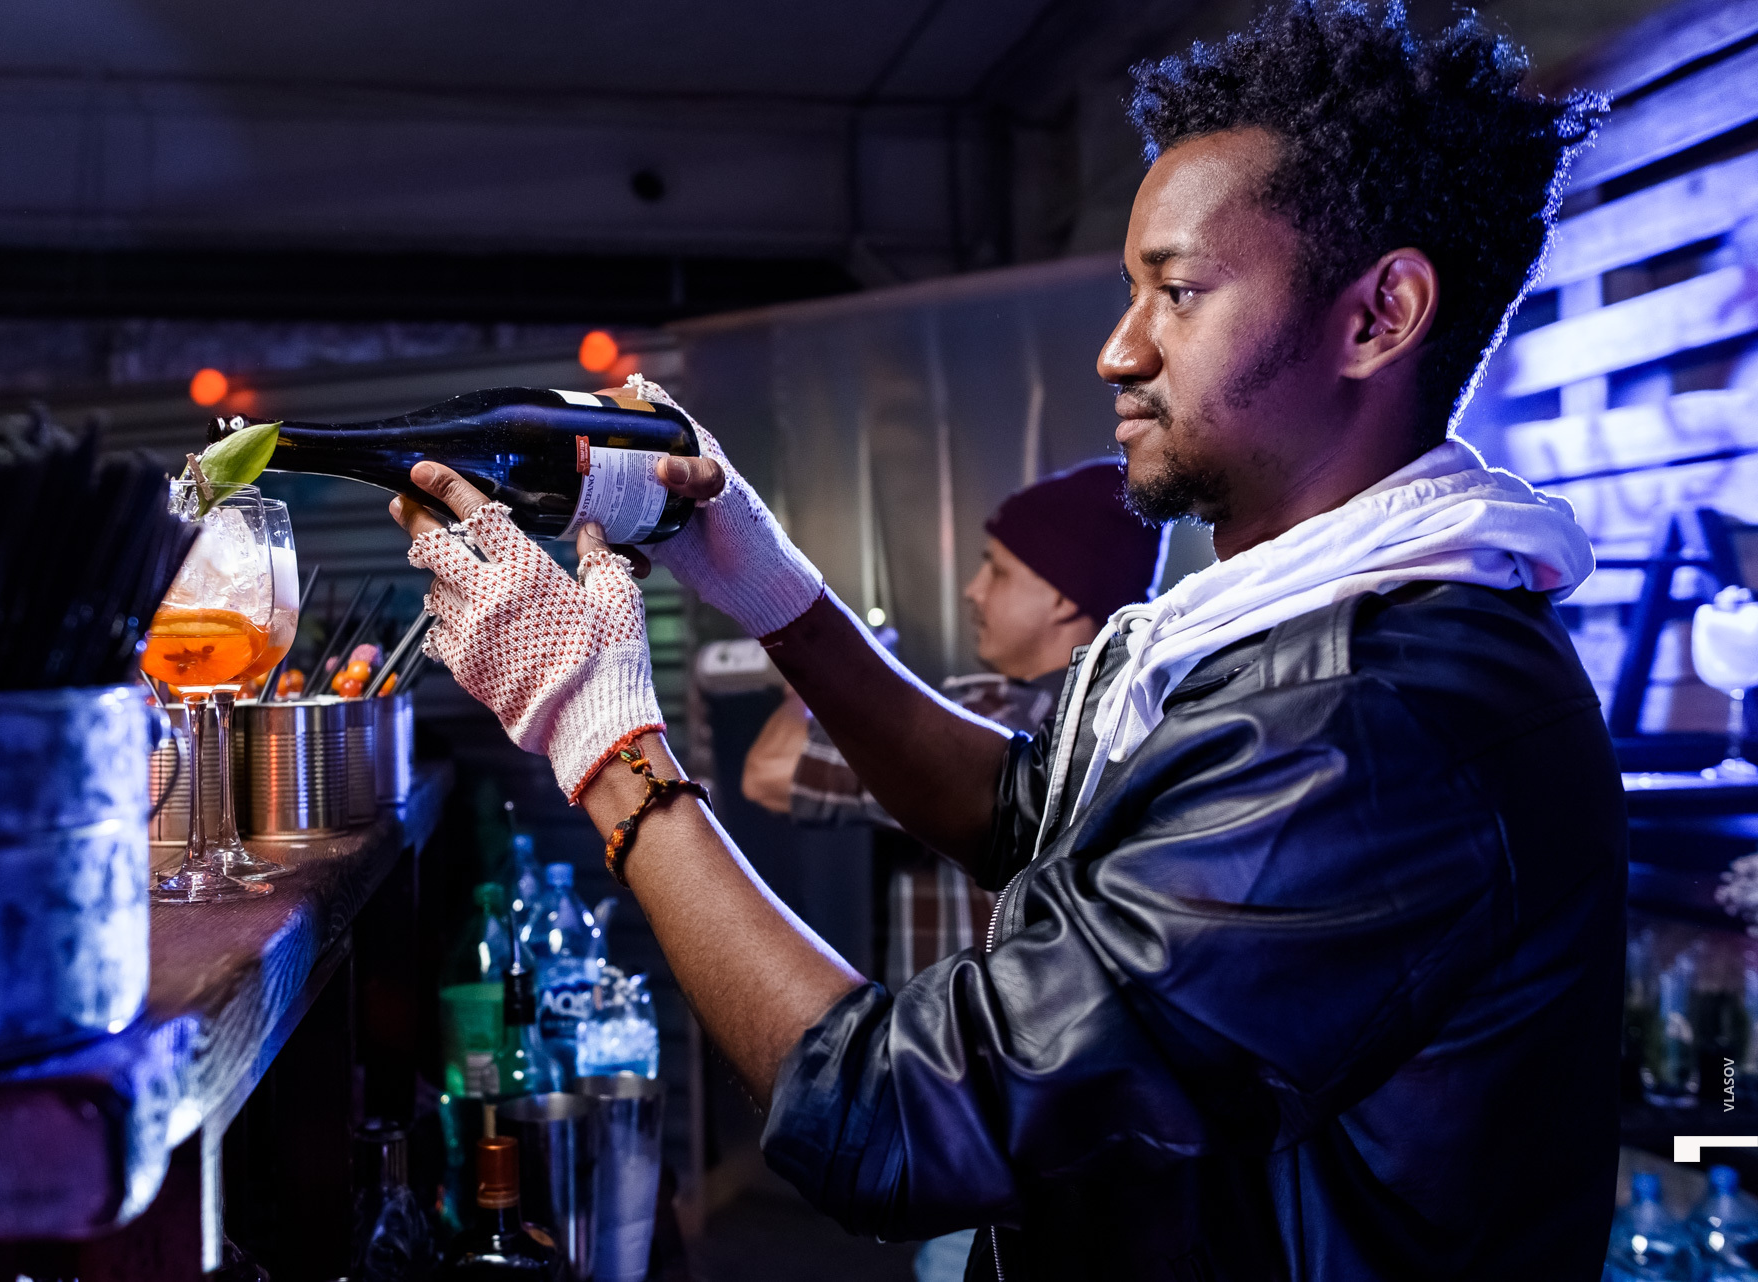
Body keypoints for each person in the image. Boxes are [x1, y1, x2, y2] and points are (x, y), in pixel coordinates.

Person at [389, 4, 1621, 1277]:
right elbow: (1030, 813)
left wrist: (600, 736)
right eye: (1132, 291)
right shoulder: (1277, 628)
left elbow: (900, 1120)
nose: (1119, 350)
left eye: (1178, 293)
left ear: (1380, 316)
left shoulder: (1377, 721)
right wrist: (770, 588)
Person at [742, 461, 1160, 993]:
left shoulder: (991, 713)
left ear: (1062, 598)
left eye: (998, 572)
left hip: (954, 1040)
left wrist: (826, 677)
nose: (973, 590)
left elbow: (769, 771)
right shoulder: (1142, 721)